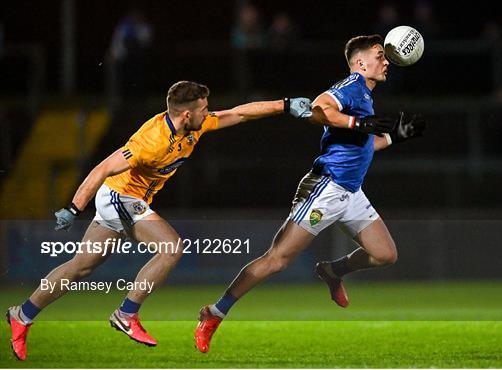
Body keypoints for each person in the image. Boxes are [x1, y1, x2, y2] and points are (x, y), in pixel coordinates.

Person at [5, 81, 312, 361]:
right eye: (204, 108)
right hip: (119, 198)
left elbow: (240, 114)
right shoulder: (150, 141)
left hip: (126, 200)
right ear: (186, 113)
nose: (208, 112)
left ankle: (23, 314)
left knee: (81, 266)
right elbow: (101, 169)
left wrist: (284, 105)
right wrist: (73, 207)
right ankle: (127, 313)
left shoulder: (195, 126)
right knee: (171, 248)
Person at [194, 35, 426, 353]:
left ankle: (331, 271)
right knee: (277, 260)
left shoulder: (366, 96)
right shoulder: (352, 86)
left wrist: (393, 137)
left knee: (385, 254)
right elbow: (319, 109)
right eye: (379, 55)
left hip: (351, 192)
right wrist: (360, 121)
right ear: (360, 63)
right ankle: (214, 312)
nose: (386, 61)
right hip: (325, 189)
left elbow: (362, 145)